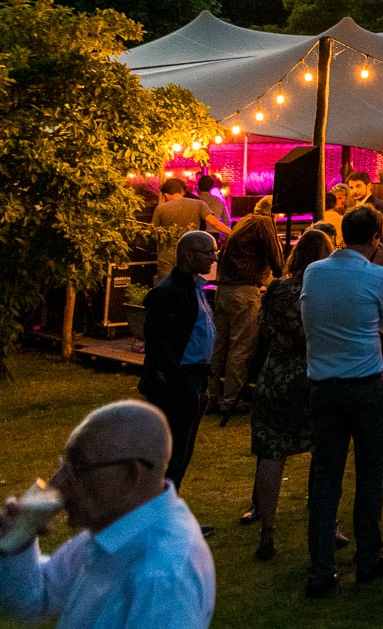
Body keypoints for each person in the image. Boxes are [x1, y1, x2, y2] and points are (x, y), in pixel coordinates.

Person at [0, 400, 214, 628]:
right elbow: (36, 600)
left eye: (78, 468)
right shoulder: (118, 528)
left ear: (129, 475)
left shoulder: (161, 578)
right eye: (64, 465)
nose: (57, 482)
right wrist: (17, 545)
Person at [298, 205, 383, 596]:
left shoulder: (314, 271)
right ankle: (368, 558)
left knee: (326, 479)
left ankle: (321, 569)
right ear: (377, 237)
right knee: (369, 476)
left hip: (323, 385)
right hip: (364, 385)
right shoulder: (377, 275)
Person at [247, 228, 332, 563]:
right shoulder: (321, 290)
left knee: (271, 453)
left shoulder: (277, 288)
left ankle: (267, 532)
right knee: (323, 452)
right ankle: (326, 525)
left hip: (275, 375)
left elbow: (262, 325)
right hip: (312, 374)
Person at [140, 231, 216, 492]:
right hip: (177, 382)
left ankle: (170, 504)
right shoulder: (169, 292)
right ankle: (159, 507)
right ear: (189, 255)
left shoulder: (195, 287)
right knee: (170, 456)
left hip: (196, 376)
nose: (214, 258)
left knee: (183, 453)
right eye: (208, 252)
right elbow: (160, 344)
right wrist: (180, 383)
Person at [210, 197, 283, 414]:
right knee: (241, 348)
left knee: (219, 347)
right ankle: (231, 401)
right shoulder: (264, 222)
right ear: (273, 212)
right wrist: (283, 279)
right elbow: (276, 259)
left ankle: (209, 396)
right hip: (244, 292)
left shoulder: (244, 221)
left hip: (224, 290)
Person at [149, 178, 225, 276]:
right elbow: (215, 223)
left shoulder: (161, 209)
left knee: (166, 281)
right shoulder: (198, 204)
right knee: (189, 280)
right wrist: (232, 233)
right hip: (190, 252)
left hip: (167, 253)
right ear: (182, 191)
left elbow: (153, 232)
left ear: (166, 195)